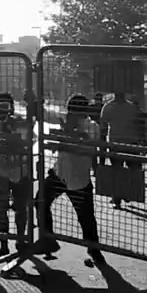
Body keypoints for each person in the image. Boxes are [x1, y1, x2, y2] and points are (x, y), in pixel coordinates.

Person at [38, 94, 104, 265]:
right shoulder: (63, 119)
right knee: (40, 201)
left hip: (79, 179)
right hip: (59, 174)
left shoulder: (92, 126)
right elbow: (44, 114)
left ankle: (94, 250)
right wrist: (35, 102)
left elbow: (86, 143)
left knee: (86, 217)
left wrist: (66, 134)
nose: (71, 115)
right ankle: (48, 239)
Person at [0, 92, 34, 259]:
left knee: (21, 209)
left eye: (5, 106)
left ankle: (21, 241)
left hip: (21, 171)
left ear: (11, 107)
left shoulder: (22, 121)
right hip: (1, 171)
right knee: (1, 209)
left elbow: (30, 140)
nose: (1, 110)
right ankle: (3, 245)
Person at [100, 90, 146, 209]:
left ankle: (117, 198)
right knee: (133, 170)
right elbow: (140, 125)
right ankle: (128, 193)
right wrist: (142, 141)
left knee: (117, 171)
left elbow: (103, 127)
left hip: (116, 144)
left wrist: (103, 146)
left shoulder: (108, 107)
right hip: (131, 143)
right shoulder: (132, 107)